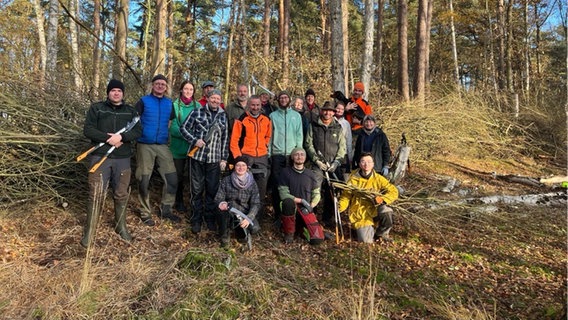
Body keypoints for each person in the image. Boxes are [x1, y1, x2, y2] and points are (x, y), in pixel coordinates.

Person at [81, 79, 142, 247]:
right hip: (100, 157)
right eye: (113, 90)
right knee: (96, 193)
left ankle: (120, 226)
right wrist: (109, 139)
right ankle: (90, 230)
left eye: (119, 91)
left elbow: (138, 130)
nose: (116, 93)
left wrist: (122, 137)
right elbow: (88, 129)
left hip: (122, 158)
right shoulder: (97, 108)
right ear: (108, 92)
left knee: (121, 193)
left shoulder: (130, 111)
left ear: (123, 93)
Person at [180, 89, 229, 234]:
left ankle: (209, 219)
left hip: (214, 160)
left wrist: (224, 158)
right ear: (207, 99)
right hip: (197, 158)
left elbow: (225, 139)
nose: (215, 101)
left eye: (217, 99)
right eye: (212, 98)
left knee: (212, 191)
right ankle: (196, 219)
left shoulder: (223, 116)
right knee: (196, 190)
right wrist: (195, 140)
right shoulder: (197, 112)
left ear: (220, 101)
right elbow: (183, 128)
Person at [135, 74, 181, 226]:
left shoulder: (169, 103)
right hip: (144, 145)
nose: (160, 86)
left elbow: (169, 122)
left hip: (162, 145)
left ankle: (166, 210)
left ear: (166, 87)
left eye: (163, 84)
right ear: (152, 85)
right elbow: (134, 120)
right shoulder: (143, 101)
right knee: (143, 179)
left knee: (172, 179)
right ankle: (145, 212)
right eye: (157, 83)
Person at [338, 152, 398, 243]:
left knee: (386, 211)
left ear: (373, 164)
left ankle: (381, 233)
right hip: (361, 213)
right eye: (363, 161)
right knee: (366, 240)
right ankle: (362, 230)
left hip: (374, 209)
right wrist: (340, 207)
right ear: (359, 164)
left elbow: (393, 191)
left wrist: (383, 199)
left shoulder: (378, 178)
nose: (366, 164)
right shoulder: (352, 179)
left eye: (369, 162)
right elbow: (346, 196)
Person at [304, 101, 346, 227]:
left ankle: (328, 218)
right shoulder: (314, 125)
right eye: (325, 110)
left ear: (334, 113)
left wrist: (337, 162)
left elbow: (342, 147)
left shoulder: (338, 127)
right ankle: (313, 217)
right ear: (322, 111)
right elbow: (308, 144)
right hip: (317, 165)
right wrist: (315, 159)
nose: (327, 113)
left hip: (332, 166)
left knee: (331, 192)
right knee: (314, 190)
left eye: (330, 111)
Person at [230, 95, 272, 220]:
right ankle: (241, 217)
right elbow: (234, 141)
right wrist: (239, 159)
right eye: (253, 105)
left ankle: (257, 219)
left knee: (261, 189)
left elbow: (268, 136)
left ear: (261, 105)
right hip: (246, 156)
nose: (255, 107)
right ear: (249, 105)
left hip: (262, 157)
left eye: (258, 105)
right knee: (243, 188)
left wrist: (264, 146)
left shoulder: (266, 119)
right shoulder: (242, 119)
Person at [269, 91, 304, 221]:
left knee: (292, 184)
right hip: (277, 155)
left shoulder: (296, 116)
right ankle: (278, 214)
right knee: (277, 185)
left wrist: (298, 153)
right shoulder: (272, 116)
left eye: (285, 97)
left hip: (291, 155)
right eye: (281, 98)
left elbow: (299, 135)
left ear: (289, 100)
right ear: (278, 100)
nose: (283, 100)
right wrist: (269, 153)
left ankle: (292, 213)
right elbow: (270, 136)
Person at [214, 157, 261, 248]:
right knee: (222, 213)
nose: (240, 168)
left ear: (247, 168)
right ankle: (225, 236)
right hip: (230, 210)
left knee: (254, 228)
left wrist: (249, 218)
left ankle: (242, 233)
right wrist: (222, 203)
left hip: (244, 212)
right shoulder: (226, 180)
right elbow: (218, 198)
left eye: (243, 165)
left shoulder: (252, 183)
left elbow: (256, 203)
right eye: (238, 165)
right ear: (234, 167)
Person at [277, 147, 321, 243]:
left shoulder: (311, 174)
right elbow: (283, 194)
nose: (299, 157)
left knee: (316, 240)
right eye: (296, 154)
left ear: (305, 158)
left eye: (302, 154)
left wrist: (310, 206)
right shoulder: (285, 172)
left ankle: (303, 230)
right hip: (292, 209)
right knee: (288, 202)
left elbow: (317, 194)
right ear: (292, 157)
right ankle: (289, 234)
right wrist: (301, 201)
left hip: (306, 210)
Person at [170, 80, 200, 214]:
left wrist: (194, 139)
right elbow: (174, 128)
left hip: (195, 149)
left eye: (191, 89)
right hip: (177, 149)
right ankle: (179, 201)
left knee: (194, 177)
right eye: (186, 89)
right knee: (178, 176)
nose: (188, 92)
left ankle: (194, 204)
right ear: (181, 90)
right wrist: (191, 136)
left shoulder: (198, 106)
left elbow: (201, 126)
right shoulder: (175, 105)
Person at [334, 101, 353, 177]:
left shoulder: (346, 123)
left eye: (342, 109)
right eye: (338, 108)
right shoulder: (330, 120)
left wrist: (350, 155)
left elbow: (349, 140)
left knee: (344, 176)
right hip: (332, 153)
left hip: (343, 154)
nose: (339, 111)